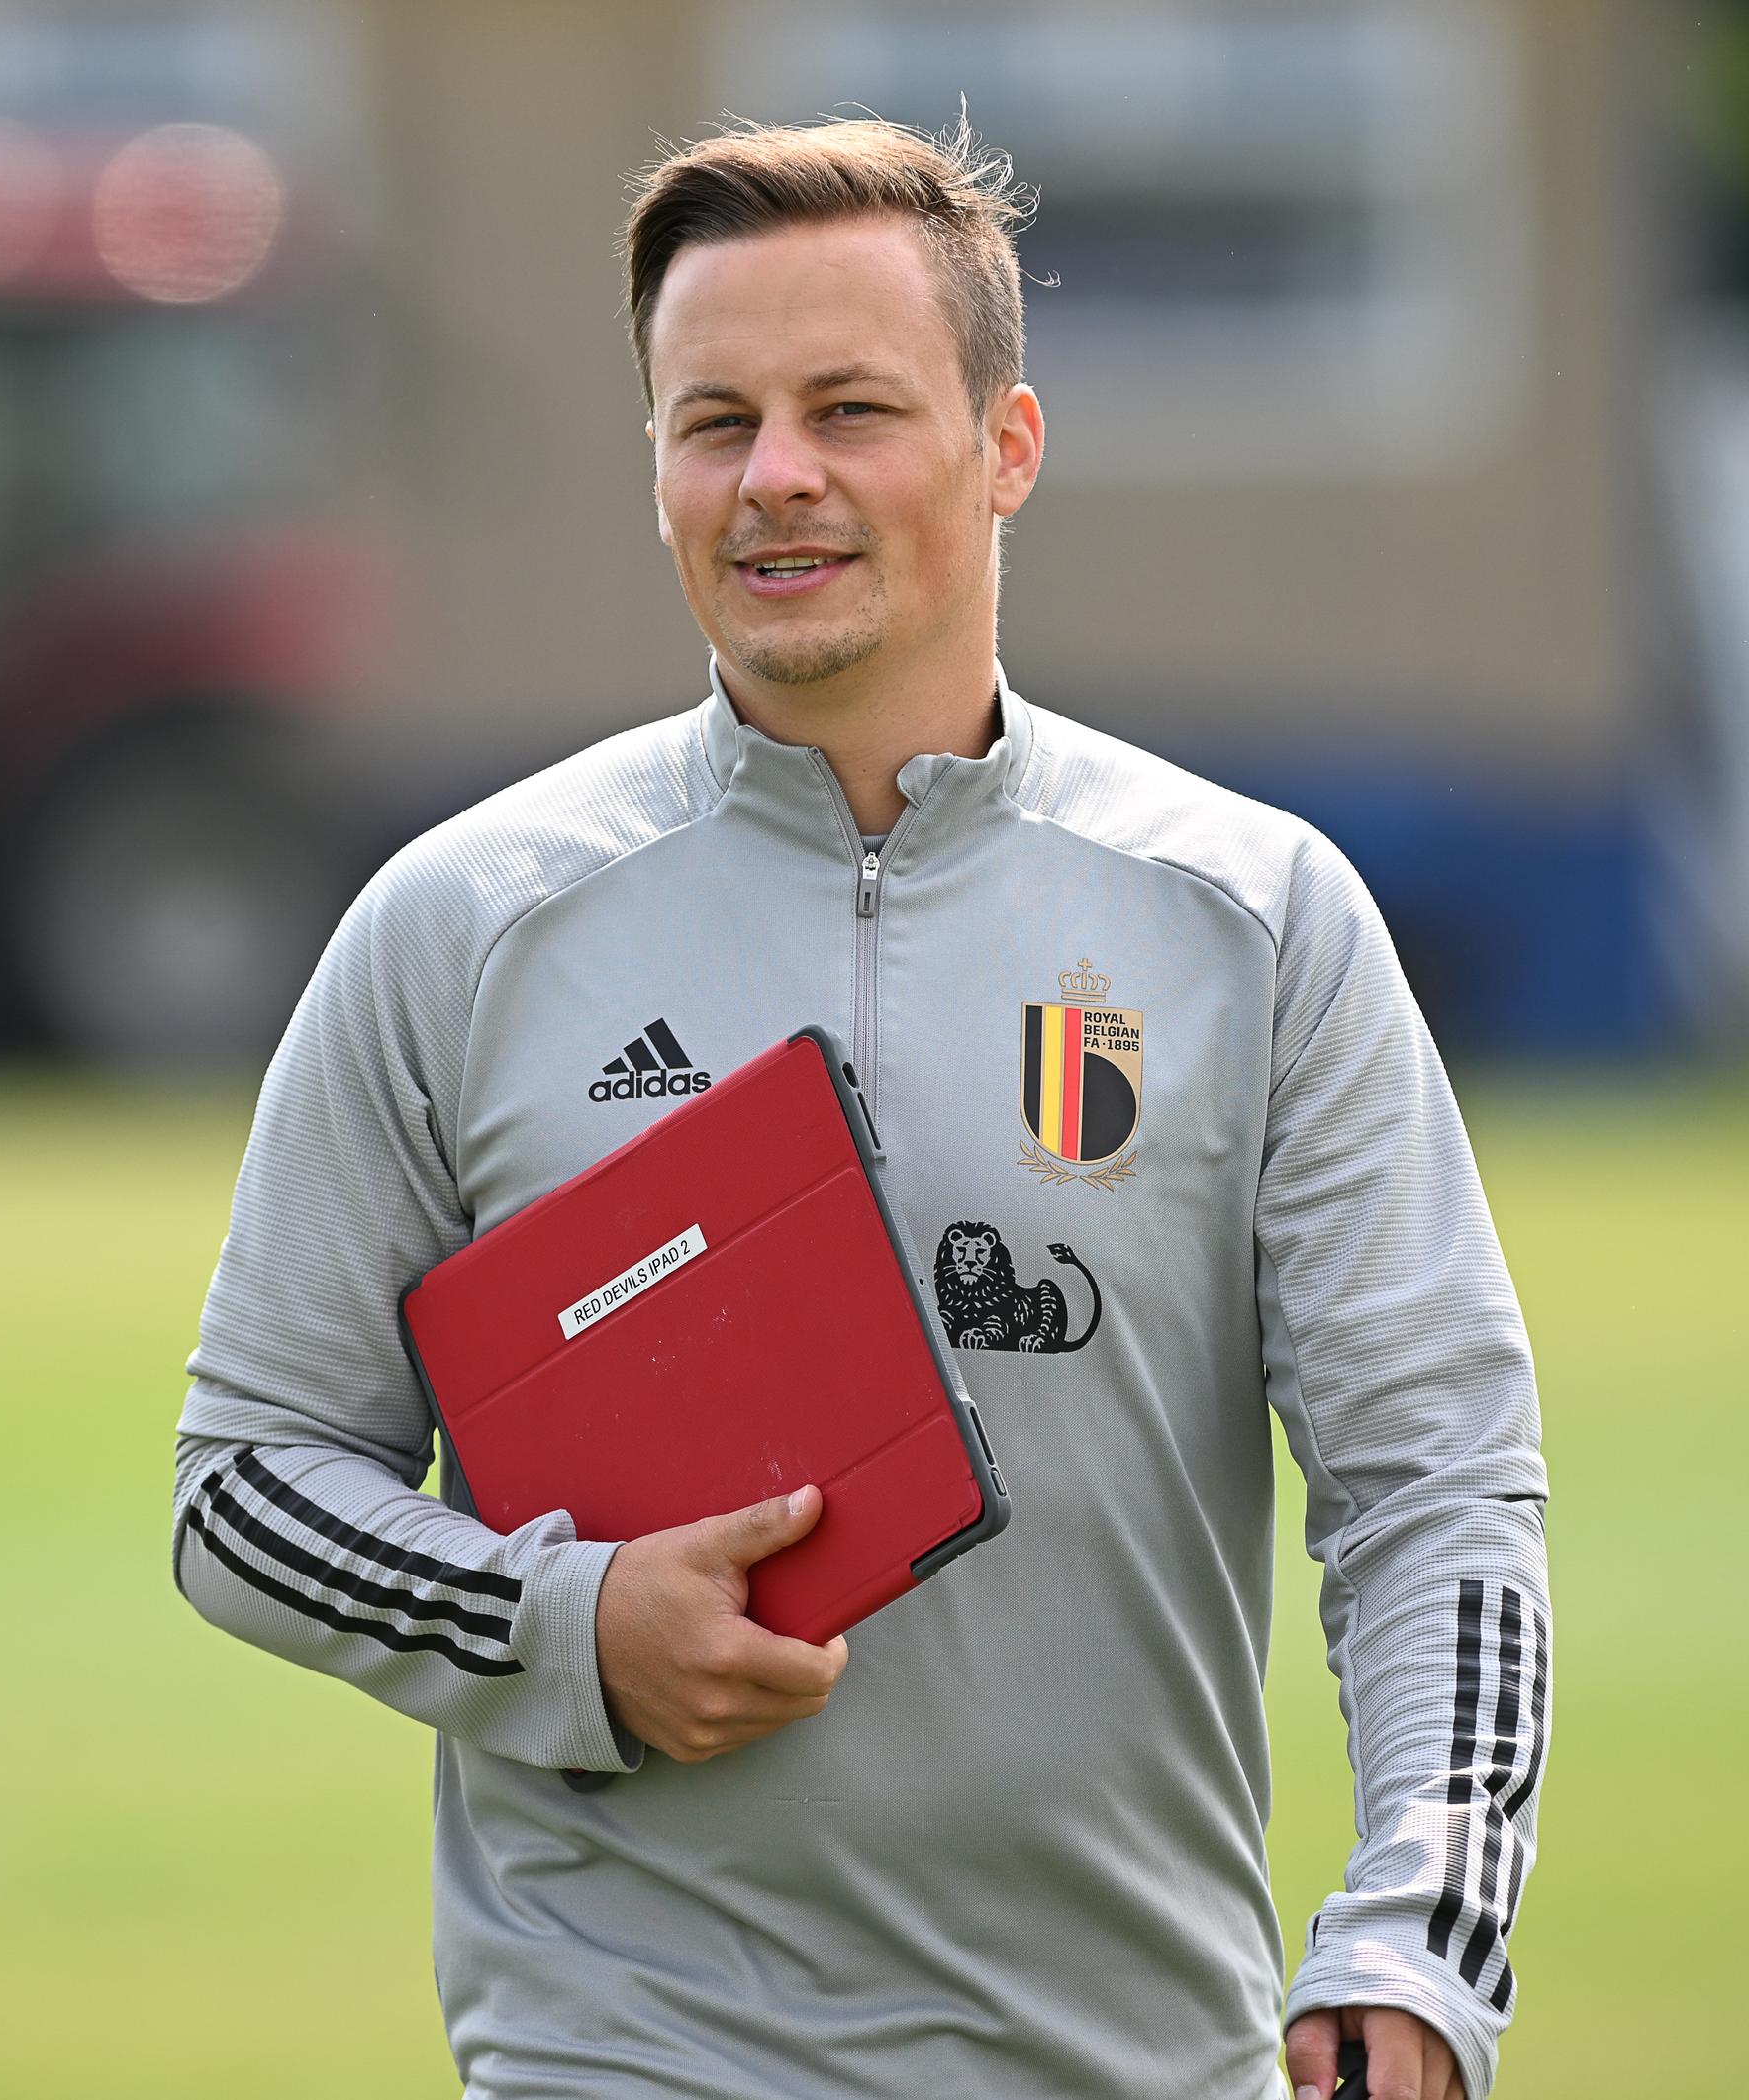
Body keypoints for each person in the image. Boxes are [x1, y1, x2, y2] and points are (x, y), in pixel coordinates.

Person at [173, 115, 1550, 2100]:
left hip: (1136, 2058)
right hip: (622, 2052)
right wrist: (558, 1620)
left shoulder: (1252, 919)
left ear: (1007, 447)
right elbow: (245, 1482)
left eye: (851, 406)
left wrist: (1424, 1940)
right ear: (654, 458)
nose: (777, 475)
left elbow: (1439, 1487)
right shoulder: (462, 922)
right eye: (713, 417)